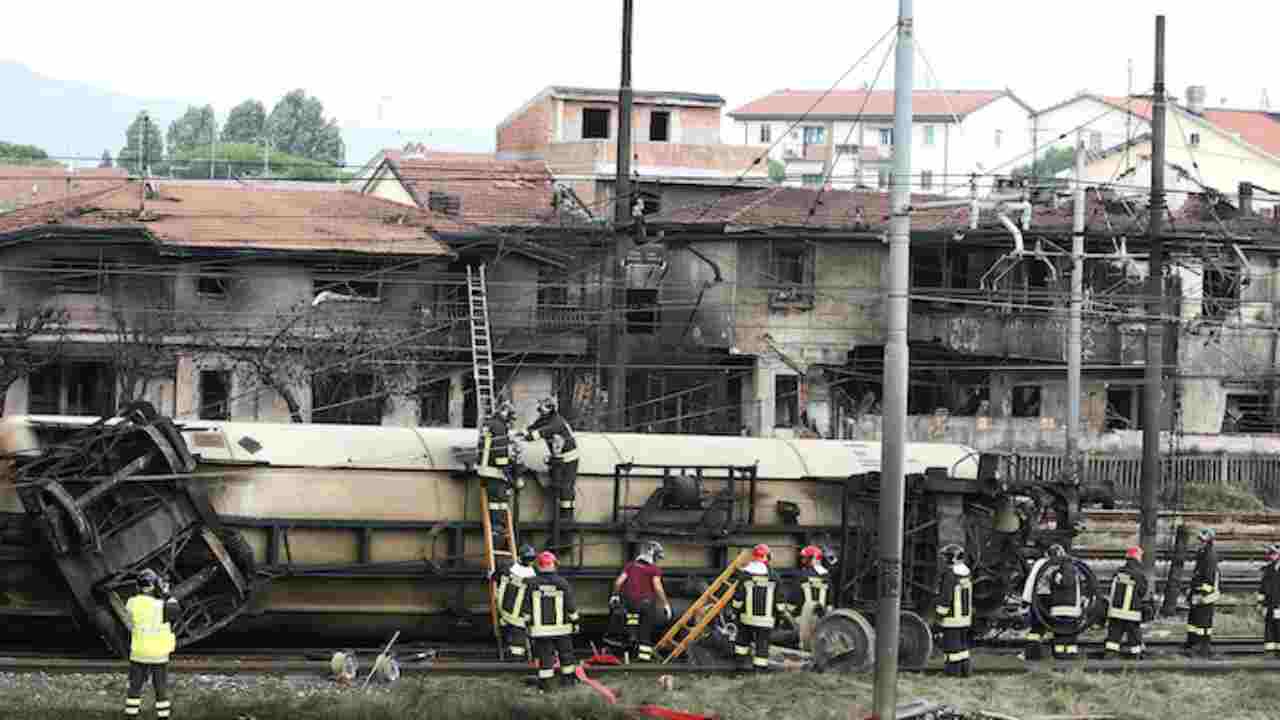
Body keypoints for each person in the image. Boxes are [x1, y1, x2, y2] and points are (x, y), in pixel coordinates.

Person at [123, 569, 179, 719]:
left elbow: (129, 620)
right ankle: (163, 716)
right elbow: (175, 612)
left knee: (135, 687)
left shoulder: (131, 603)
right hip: (159, 654)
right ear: (154, 586)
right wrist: (166, 592)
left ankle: (131, 715)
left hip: (139, 652)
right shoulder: (162, 605)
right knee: (161, 688)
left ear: (138, 586)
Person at [524, 551, 580, 691]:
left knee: (545, 657)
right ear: (553, 565)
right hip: (562, 630)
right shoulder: (562, 583)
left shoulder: (531, 583)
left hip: (541, 631)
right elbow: (571, 606)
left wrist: (526, 624)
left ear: (539, 566)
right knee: (566, 655)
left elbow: (526, 607)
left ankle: (546, 685)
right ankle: (568, 682)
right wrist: (576, 622)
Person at [610, 540, 672, 663]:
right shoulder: (654, 569)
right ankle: (643, 658)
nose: (657, 560)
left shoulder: (630, 565)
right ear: (652, 555)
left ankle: (631, 643)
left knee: (632, 625)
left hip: (630, 604)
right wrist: (665, 604)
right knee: (645, 630)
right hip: (646, 605)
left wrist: (615, 596)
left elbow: (618, 582)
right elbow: (658, 587)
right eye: (657, 557)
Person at [524, 398, 579, 520]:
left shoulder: (556, 422)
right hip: (557, 459)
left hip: (569, 459)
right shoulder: (546, 419)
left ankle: (567, 516)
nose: (540, 412)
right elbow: (534, 427)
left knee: (566, 487)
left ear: (550, 409)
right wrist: (523, 432)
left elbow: (540, 433)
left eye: (542, 409)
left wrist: (527, 437)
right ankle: (559, 514)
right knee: (557, 486)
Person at [731, 544, 778, 673]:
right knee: (762, 644)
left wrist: (735, 612)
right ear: (767, 557)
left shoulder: (745, 574)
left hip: (746, 618)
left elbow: (738, 598)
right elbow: (779, 600)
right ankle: (760, 671)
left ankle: (740, 667)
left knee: (742, 642)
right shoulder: (774, 576)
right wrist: (778, 616)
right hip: (766, 620)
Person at [478, 401, 518, 544]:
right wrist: (509, 472)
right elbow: (500, 452)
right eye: (510, 417)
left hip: (485, 468)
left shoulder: (489, 423)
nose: (510, 422)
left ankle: (497, 528)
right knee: (499, 501)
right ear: (505, 411)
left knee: (496, 499)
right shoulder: (499, 427)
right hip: (494, 471)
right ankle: (498, 530)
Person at [934, 544, 973, 677]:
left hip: (952, 619)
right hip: (964, 619)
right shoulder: (966, 573)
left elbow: (946, 598)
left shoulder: (950, 575)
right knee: (963, 648)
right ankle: (965, 671)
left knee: (952, 649)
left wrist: (939, 616)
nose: (945, 560)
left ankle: (952, 673)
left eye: (946, 557)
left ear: (953, 558)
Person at [1104, 546, 1149, 659]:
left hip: (1116, 611)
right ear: (1137, 557)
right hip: (1131, 612)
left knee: (1114, 634)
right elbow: (1142, 591)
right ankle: (1136, 655)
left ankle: (1110, 654)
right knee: (1134, 634)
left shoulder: (1119, 572)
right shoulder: (1138, 574)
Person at [495, 544, 538, 661]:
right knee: (517, 645)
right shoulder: (532, 578)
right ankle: (516, 660)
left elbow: (495, 576)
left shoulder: (507, 568)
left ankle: (507, 648)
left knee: (507, 631)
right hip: (518, 618)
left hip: (503, 611)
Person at [1184, 527, 1220, 658]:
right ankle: (1192, 643)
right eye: (1199, 540)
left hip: (1206, 595)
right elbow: (1197, 575)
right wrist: (1192, 591)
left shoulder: (1210, 555)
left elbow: (1208, 579)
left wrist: (1200, 594)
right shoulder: (1203, 552)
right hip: (1198, 592)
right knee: (1194, 620)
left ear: (1208, 540)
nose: (1199, 542)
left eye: (1201, 540)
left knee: (1202, 622)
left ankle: (1202, 647)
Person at [1045, 544, 1082, 659]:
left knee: (1063, 633)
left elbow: (1066, 582)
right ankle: (1066, 656)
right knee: (1068, 634)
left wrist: (1054, 576)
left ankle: (1063, 656)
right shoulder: (1067, 567)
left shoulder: (1066, 567)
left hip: (1065, 607)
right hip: (1067, 607)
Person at [1021, 548, 1055, 661]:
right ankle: (1031, 654)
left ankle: (1031, 653)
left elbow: (1031, 582)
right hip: (1044, 597)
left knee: (1037, 627)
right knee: (1039, 627)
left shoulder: (1040, 563)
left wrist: (1026, 600)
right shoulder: (1050, 564)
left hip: (1037, 597)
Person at [786, 545, 832, 622]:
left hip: (802, 620)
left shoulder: (801, 576)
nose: (802, 561)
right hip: (821, 622)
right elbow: (830, 603)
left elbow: (793, 600)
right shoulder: (827, 577)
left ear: (811, 558)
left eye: (804, 558)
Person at [1260, 544, 1280, 658]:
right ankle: (1270, 652)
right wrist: (1261, 605)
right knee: (1269, 628)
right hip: (1269, 605)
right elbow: (1263, 589)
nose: (1271, 556)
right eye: (1270, 554)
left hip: (1278, 604)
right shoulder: (1268, 569)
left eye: (1273, 553)